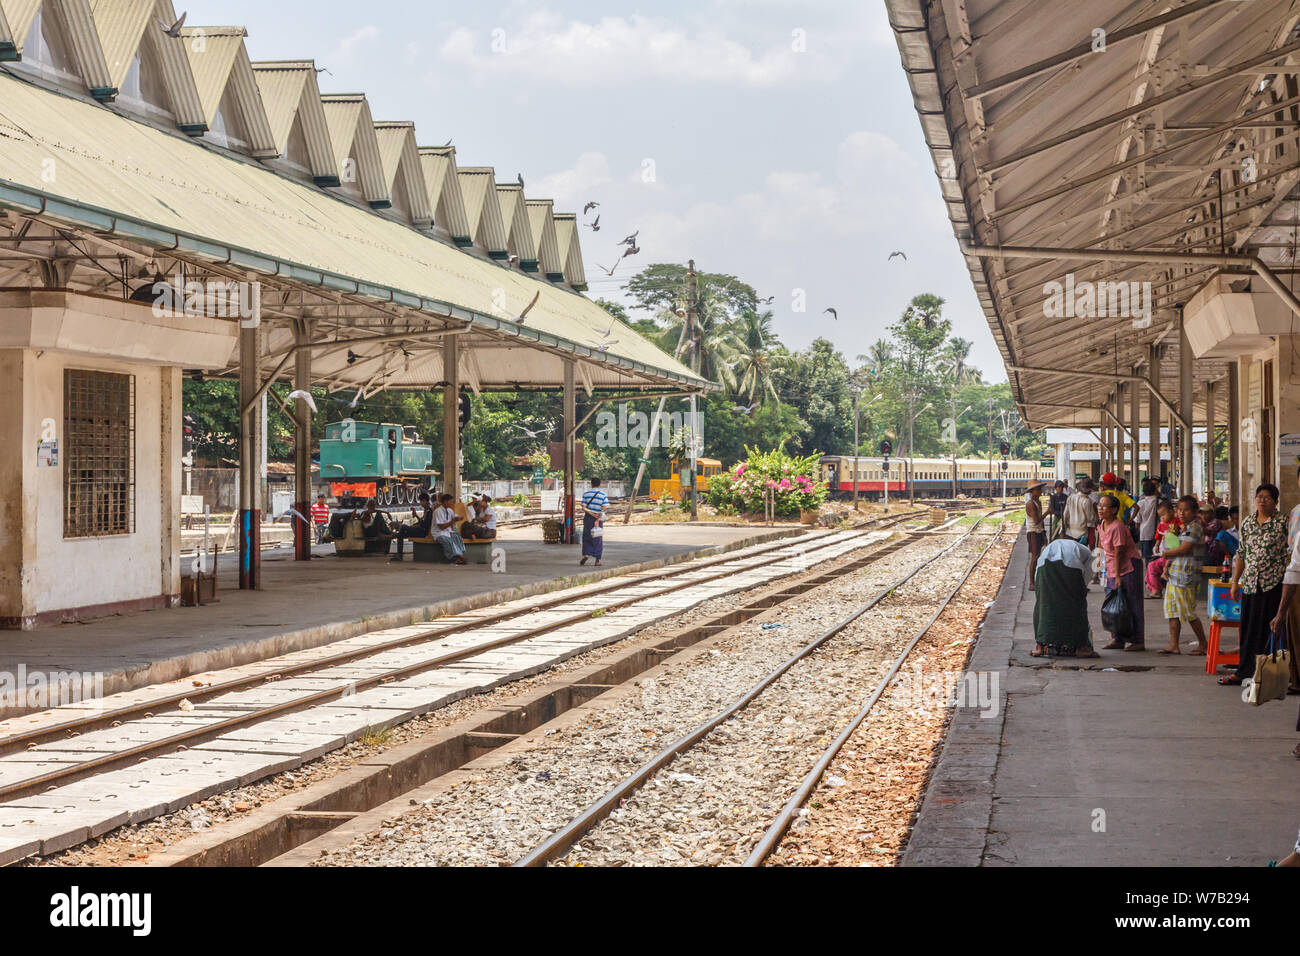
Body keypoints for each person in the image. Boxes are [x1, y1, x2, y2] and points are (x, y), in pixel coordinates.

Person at [1223, 483, 1287, 685]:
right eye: (1259, 496)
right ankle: (1244, 671)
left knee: (1271, 630)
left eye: (1267, 497)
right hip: (1251, 583)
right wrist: (1235, 582)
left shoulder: (1283, 522)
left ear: (1275, 501)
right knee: (1248, 628)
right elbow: (1241, 554)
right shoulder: (1248, 522)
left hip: (1273, 583)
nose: (1262, 500)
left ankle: (1270, 675)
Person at [1032, 537, 1098, 658]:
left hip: (1043, 568)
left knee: (1044, 605)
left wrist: (1040, 590)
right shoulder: (1090, 554)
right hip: (1070, 566)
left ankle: (1040, 646)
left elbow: (1038, 571)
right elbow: (1086, 579)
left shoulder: (1053, 546)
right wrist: (1080, 591)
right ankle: (1081, 647)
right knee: (1077, 607)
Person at [1160, 495, 1208, 655]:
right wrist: (1167, 565)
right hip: (1175, 574)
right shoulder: (1184, 528)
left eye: (1186, 510)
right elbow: (1178, 548)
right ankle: (1173, 645)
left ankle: (1203, 644)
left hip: (1186, 576)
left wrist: (1165, 553)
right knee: (1172, 611)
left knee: (1188, 612)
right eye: (1179, 510)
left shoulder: (1195, 527)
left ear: (1195, 511)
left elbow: (1185, 548)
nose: (1181, 513)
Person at [1097, 493, 1146, 652]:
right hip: (1111, 568)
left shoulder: (1118, 527)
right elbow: (1101, 548)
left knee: (1132, 604)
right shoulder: (1102, 523)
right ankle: (1117, 638)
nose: (1100, 508)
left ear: (1114, 510)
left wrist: (1118, 576)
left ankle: (1138, 640)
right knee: (1113, 603)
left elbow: (1119, 552)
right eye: (1099, 505)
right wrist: (1100, 568)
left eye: (1104, 506)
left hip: (1128, 567)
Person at [1145, 498, 1178, 598]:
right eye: (1161, 516)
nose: (1162, 518)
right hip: (1167, 553)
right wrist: (1157, 545)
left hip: (1174, 555)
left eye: (1164, 515)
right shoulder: (1162, 524)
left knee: (1152, 566)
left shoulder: (1177, 523)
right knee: (1151, 565)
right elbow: (1158, 536)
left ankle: (1156, 589)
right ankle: (1154, 588)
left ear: (1172, 511)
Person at [389, 492, 434, 564]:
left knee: (403, 527)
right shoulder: (426, 510)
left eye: (421, 502)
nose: (421, 504)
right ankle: (398, 551)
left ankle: (398, 552)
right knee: (401, 533)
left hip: (423, 532)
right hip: (421, 530)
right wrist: (414, 525)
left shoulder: (429, 511)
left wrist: (416, 516)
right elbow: (421, 522)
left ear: (425, 501)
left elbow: (425, 525)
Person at [579, 477, 609, 567]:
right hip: (598, 518)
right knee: (597, 538)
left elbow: (583, 507)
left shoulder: (586, 494)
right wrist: (598, 518)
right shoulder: (603, 495)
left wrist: (591, 514)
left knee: (587, 536)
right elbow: (604, 507)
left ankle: (586, 554)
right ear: (599, 484)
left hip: (588, 518)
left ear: (591, 484)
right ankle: (597, 561)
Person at [432, 493, 467, 564]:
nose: (452, 503)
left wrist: (459, 518)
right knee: (448, 541)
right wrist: (453, 521)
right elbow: (441, 527)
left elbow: (455, 516)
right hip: (438, 533)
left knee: (458, 537)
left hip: (448, 532)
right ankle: (458, 557)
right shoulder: (437, 511)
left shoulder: (449, 510)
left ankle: (460, 556)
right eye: (450, 501)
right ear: (445, 502)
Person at [1025, 481, 1046, 590]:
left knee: (1038, 555)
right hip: (1033, 531)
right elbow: (1037, 520)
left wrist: (1044, 533)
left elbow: (1040, 523)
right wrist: (1048, 513)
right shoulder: (1030, 504)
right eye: (1038, 489)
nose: (1040, 491)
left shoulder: (1038, 502)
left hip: (1039, 531)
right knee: (1034, 556)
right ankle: (1031, 583)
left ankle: (1036, 579)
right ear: (1032, 491)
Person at [1135, 479, 1160, 567]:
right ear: (1155, 490)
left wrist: (1137, 529)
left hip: (1144, 533)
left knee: (1147, 557)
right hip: (1159, 534)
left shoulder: (1140, 503)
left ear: (1144, 492)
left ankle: (1148, 577)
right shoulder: (1160, 502)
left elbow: (1137, 521)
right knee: (1158, 556)